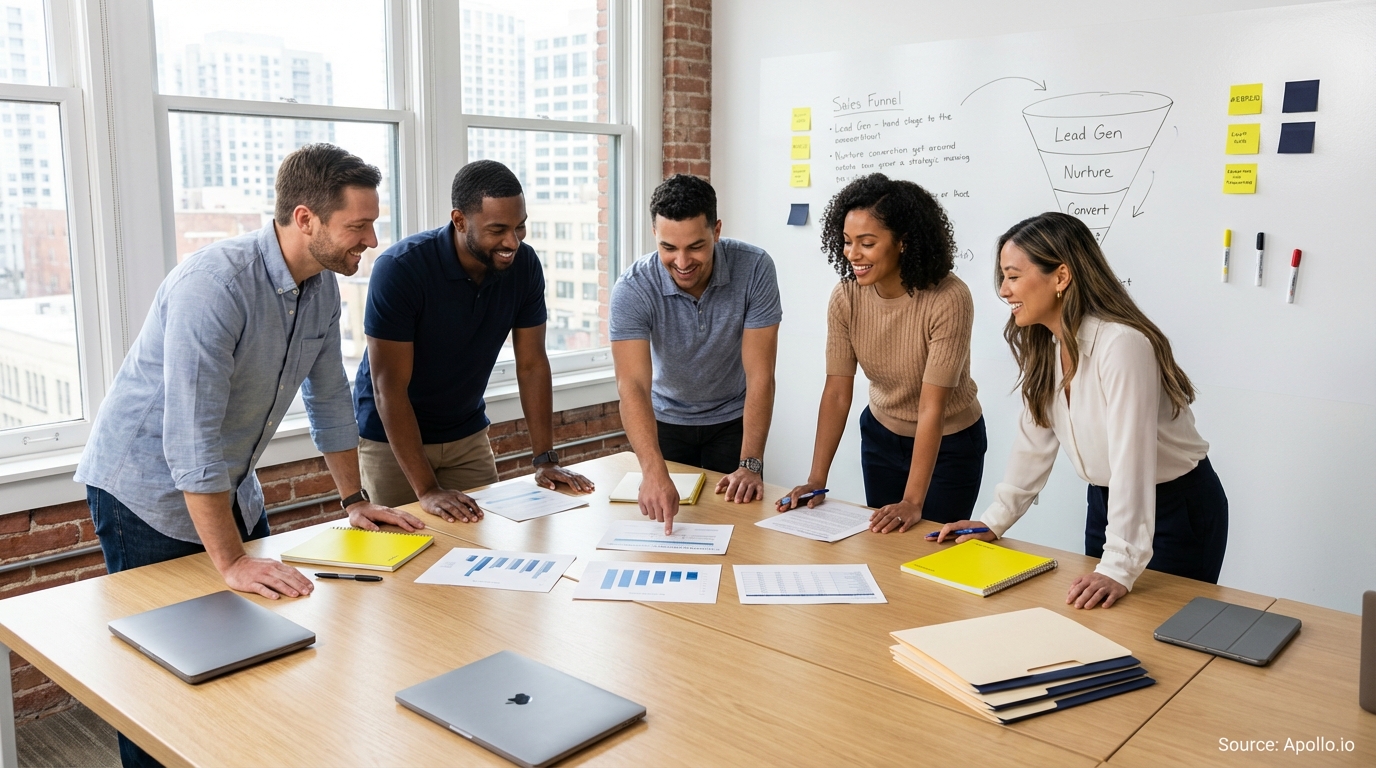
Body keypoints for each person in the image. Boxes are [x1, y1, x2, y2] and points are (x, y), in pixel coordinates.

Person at [75, 144, 424, 768]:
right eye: (359, 225)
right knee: (164, 668)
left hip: (230, 483)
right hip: (144, 491)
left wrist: (354, 500)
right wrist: (232, 559)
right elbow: (190, 437)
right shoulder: (215, 286)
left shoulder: (321, 289)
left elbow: (329, 399)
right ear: (306, 219)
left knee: (252, 647)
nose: (371, 240)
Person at [934, 212, 1228, 609]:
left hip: (1177, 509)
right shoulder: (1048, 346)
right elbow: (1033, 444)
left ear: (1061, 276)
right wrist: (993, 520)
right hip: (1107, 504)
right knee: (1104, 621)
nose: (1003, 290)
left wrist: (1119, 565)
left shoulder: (1121, 345)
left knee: (1164, 631)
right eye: (1003, 277)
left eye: (1013, 276)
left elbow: (1131, 459)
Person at [354, 160, 592, 522]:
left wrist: (545, 459)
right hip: (391, 441)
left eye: (519, 226)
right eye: (498, 229)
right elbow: (389, 387)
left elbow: (532, 365)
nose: (512, 241)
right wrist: (427, 490)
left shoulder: (524, 265)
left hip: (466, 434)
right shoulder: (400, 269)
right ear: (460, 220)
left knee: (483, 540)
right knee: (406, 545)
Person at [779, 174, 986, 532]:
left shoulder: (949, 298)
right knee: (883, 542)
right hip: (881, 436)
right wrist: (816, 479)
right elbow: (837, 391)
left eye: (867, 243)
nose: (852, 254)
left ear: (903, 242)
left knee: (930, 546)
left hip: (949, 445)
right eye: (847, 242)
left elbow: (931, 407)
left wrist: (912, 501)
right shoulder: (846, 297)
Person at [610, 174, 781, 532]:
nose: (682, 261)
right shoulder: (633, 287)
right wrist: (652, 471)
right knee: (667, 531)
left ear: (716, 231)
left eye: (696, 246)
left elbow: (760, 375)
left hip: (732, 422)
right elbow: (632, 386)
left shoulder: (754, 268)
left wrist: (751, 464)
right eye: (668, 247)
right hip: (665, 423)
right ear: (654, 234)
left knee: (738, 529)